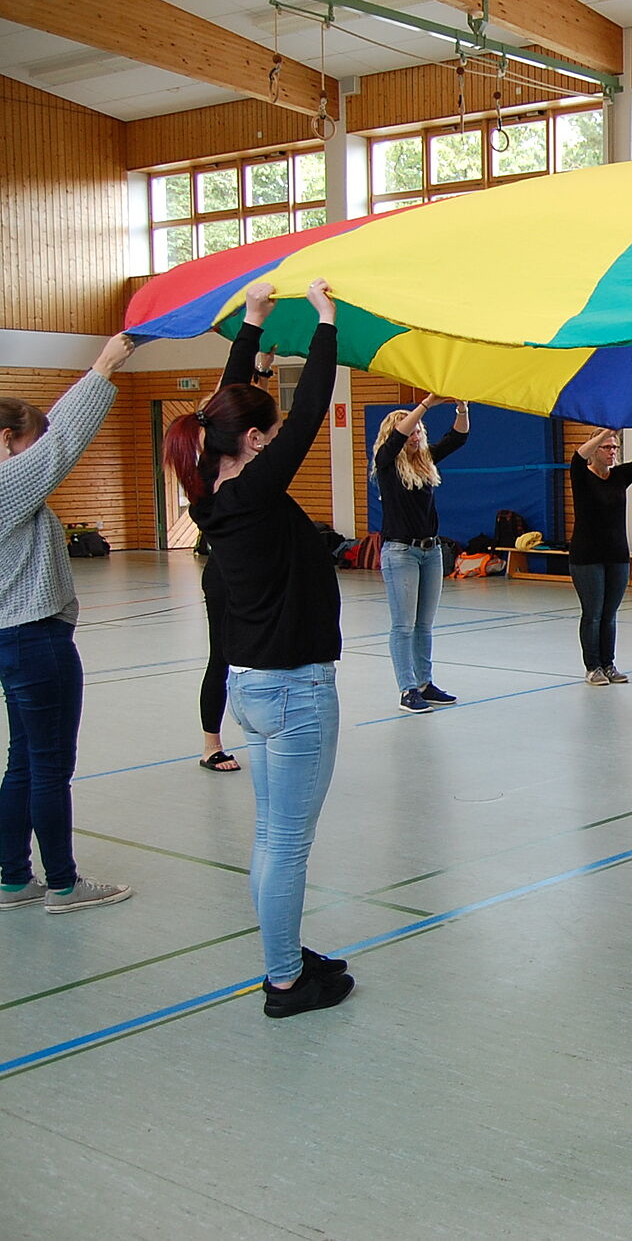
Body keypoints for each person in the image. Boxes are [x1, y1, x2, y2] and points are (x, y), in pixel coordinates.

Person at [161, 277, 353, 1018]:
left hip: (254, 689)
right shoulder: (255, 492)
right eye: (264, 436)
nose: (275, 442)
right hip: (295, 691)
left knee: (274, 836)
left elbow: (228, 403)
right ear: (252, 443)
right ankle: (283, 980)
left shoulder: (213, 491)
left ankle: (282, 953)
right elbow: (306, 414)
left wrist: (250, 325)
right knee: (286, 845)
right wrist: (326, 325)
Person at [0, 333, 138, 915]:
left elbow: (50, 436)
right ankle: (62, 883)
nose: (38, 459)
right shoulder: (7, 484)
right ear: (7, 443)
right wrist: (105, 364)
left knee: (25, 761)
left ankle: (12, 878)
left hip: (13, 640)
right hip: (36, 640)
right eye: (27, 448)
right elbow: (63, 445)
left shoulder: (10, 479)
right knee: (51, 765)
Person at [198, 342, 276, 774]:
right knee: (223, 655)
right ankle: (211, 742)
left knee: (255, 653)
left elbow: (238, 401)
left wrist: (261, 372)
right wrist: (250, 326)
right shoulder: (213, 467)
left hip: (252, 569)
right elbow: (229, 388)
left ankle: (263, 728)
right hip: (226, 574)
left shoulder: (237, 461)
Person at [373, 394, 469, 714]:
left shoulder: (425, 462)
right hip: (401, 552)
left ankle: (425, 683)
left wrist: (461, 408)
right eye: (411, 432)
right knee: (403, 624)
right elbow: (398, 435)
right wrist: (427, 403)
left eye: (419, 432)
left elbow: (458, 437)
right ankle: (407, 689)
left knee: (424, 625)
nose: (415, 437)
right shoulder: (386, 464)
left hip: (431, 551)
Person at [569, 425, 632, 685]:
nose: (612, 452)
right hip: (587, 557)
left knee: (609, 614)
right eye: (607, 447)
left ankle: (608, 664)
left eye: (614, 448)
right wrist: (604, 433)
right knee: (593, 613)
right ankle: (593, 667)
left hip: (617, 555)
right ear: (595, 450)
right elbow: (577, 457)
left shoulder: (619, 476)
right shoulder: (581, 475)